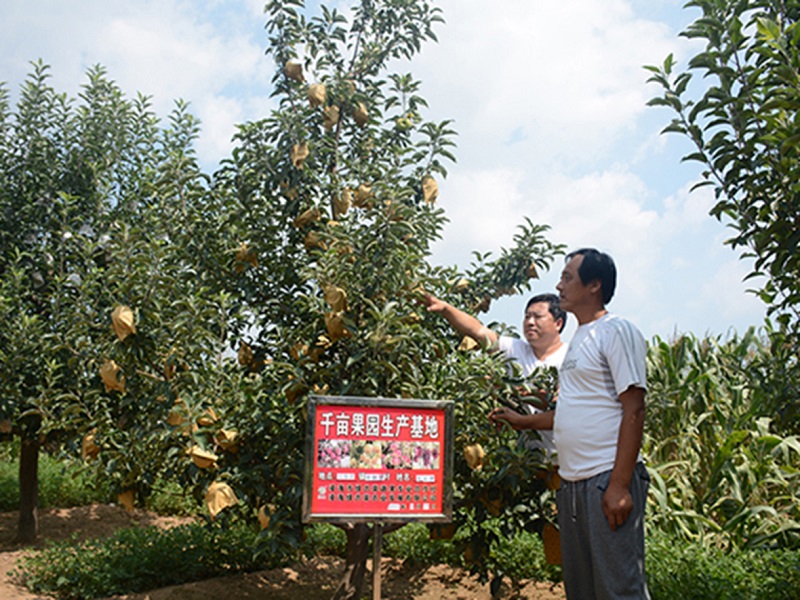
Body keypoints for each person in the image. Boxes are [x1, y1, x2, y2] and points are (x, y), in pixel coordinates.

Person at [490, 248, 650, 599]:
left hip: (605, 477)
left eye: (567, 277)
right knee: (583, 588)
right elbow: (571, 412)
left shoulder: (615, 331)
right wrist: (522, 422)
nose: (559, 285)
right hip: (573, 483)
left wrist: (620, 485)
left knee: (617, 586)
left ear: (594, 285)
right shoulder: (580, 340)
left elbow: (634, 409)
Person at [424, 291, 567, 460]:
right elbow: (477, 330)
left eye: (537, 317)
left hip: (565, 459)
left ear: (558, 323)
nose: (530, 322)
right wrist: (446, 309)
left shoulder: (570, 358)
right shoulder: (515, 349)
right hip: (529, 460)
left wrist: (521, 420)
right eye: (527, 317)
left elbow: (564, 414)